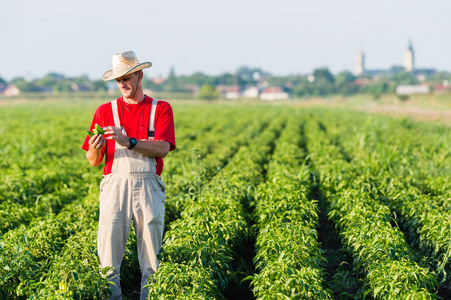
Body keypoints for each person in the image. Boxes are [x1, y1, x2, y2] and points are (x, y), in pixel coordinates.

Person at [81, 50, 176, 300]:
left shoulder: (160, 108)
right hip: (115, 186)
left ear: (139, 75)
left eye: (127, 77)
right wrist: (94, 147)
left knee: (151, 258)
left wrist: (128, 141)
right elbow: (93, 162)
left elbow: (163, 148)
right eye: (118, 79)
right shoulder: (105, 111)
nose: (122, 83)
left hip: (147, 186)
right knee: (108, 257)